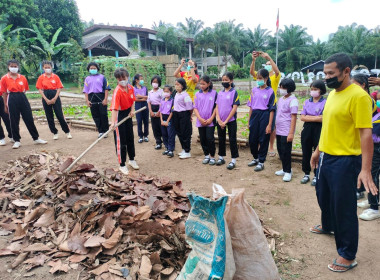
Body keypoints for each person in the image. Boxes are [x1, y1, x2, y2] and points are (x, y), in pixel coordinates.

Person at [309, 53, 377, 273]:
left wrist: (365, 170)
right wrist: (318, 151)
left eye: (331, 73)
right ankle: (328, 226)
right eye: (325, 73)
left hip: (346, 161)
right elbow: (329, 126)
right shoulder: (333, 96)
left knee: (343, 207)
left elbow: (366, 135)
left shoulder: (358, 97)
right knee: (323, 195)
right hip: (327, 156)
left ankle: (348, 254)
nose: (326, 77)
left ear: (346, 71)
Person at [0, 59, 47, 149]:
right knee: (14, 120)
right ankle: (17, 140)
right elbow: (4, 93)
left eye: (15, 66)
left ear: (18, 67)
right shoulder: (4, 78)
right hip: (11, 98)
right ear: (8, 67)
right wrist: (6, 104)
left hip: (22, 97)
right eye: (12, 66)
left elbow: (25, 90)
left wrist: (21, 98)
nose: (14, 68)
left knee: (29, 118)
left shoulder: (22, 78)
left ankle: (36, 138)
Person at [250, 51, 281, 157]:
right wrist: (253, 60)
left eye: (269, 65)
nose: (268, 66)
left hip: (271, 105)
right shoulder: (261, 78)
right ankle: (259, 148)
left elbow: (277, 71)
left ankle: (271, 146)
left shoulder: (275, 77)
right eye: (266, 65)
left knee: (271, 127)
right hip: (259, 106)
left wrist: (269, 58)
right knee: (258, 128)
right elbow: (252, 72)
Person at [109, 68, 139, 175]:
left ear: (128, 77)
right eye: (120, 78)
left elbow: (132, 101)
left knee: (130, 137)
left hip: (127, 114)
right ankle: (122, 164)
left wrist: (132, 111)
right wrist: (113, 123)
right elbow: (114, 108)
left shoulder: (130, 88)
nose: (122, 80)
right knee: (121, 141)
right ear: (117, 79)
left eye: (124, 78)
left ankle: (132, 159)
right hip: (119, 115)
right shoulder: (117, 91)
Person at [247, 68, 275, 172]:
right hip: (255, 114)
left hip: (265, 115)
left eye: (260, 78)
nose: (258, 80)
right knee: (252, 139)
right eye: (257, 78)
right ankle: (255, 157)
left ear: (266, 78)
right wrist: (249, 120)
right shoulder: (254, 90)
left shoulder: (270, 91)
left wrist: (269, 124)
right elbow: (251, 106)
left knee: (263, 139)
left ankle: (261, 161)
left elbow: (272, 109)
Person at [36, 60, 72, 140]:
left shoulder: (55, 77)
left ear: (51, 67)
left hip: (54, 94)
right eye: (46, 67)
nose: (47, 69)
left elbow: (59, 88)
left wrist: (55, 98)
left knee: (59, 115)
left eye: (49, 67)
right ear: (43, 68)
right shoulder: (41, 77)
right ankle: (54, 132)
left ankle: (67, 131)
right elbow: (39, 89)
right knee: (49, 116)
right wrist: (46, 99)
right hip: (46, 95)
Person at [300, 80, 327, 186]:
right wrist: (317, 117)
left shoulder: (325, 102)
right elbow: (302, 117)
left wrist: (309, 117)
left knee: (318, 152)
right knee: (306, 151)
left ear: (321, 90)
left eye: (315, 89)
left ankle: (316, 175)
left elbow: (324, 119)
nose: (313, 91)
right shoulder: (307, 102)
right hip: (307, 129)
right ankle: (306, 173)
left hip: (319, 129)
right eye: (312, 89)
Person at [275, 78, 298, 182]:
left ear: (289, 88)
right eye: (280, 87)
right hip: (279, 129)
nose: (281, 89)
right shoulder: (281, 99)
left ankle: (288, 171)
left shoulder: (293, 100)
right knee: (280, 150)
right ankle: (284, 169)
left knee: (286, 151)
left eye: (283, 87)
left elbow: (293, 117)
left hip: (286, 130)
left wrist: (291, 133)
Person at [215, 72, 240, 170]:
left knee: (232, 139)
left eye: (226, 80)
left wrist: (225, 121)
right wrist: (219, 119)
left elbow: (234, 108)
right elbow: (216, 106)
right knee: (221, 139)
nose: (224, 82)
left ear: (231, 81)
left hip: (231, 121)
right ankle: (221, 157)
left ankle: (233, 160)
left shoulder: (234, 92)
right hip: (220, 121)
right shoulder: (220, 93)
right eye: (223, 80)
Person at [83, 62, 111, 138]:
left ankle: (106, 131)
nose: (93, 69)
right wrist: (87, 101)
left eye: (94, 68)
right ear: (88, 69)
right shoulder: (87, 79)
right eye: (91, 68)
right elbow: (86, 90)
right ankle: (100, 131)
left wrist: (105, 99)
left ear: (97, 69)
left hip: (101, 97)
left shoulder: (102, 77)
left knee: (103, 114)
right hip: (92, 97)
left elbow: (106, 88)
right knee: (95, 115)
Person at [194, 75, 217, 165]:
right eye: (200, 84)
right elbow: (195, 107)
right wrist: (199, 118)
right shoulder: (197, 94)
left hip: (210, 121)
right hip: (200, 121)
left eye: (203, 84)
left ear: (209, 84)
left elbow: (216, 107)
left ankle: (212, 156)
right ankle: (206, 155)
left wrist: (211, 118)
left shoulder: (214, 93)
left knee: (210, 138)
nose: (201, 86)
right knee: (203, 138)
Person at [172, 78, 193, 159]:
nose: (176, 86)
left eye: (178, 84)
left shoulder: (186, 95)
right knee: (179, 132)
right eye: (175, 84)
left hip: (184, 114)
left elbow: (190, 108)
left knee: (185, 132)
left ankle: (187, 151)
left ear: (183, 85)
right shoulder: (176, 94)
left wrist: (189, 116)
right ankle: (184, 149)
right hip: (176, 114)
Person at [147, 75, 163, 149]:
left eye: (156, 82)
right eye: (153, 82)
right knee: (155, 126)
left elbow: (163, 102)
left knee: (161, 125)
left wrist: (159, 111)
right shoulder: (150, 92)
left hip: (160, 108)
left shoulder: (161, 91)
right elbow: (149, 102)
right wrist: (151, 111)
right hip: (152, 108)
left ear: (159, 83)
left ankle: (165, 141)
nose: (155, 83)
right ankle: (158, 142)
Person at [132, 74, 149, 143]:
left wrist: (140, 96)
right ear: (136, 80)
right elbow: (134, 99)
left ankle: (146, 135)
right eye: (140, 79)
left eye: (142, 79)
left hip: (145, 105)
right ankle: (140, 136)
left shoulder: (145, 88)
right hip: (138, 105)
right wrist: (143, 98)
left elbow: (148, 97)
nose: (142, 80)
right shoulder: (133, 88)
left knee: (146, 120)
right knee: (139, 121)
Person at [160, 85, 175, 158]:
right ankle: (166, 147)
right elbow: (160, 111)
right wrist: (162, 120)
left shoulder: (172, 100)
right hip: (163, 117)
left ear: (171, 92)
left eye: (167, 91)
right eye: (164, 91)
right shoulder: (162, 100)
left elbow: (172, 112)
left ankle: (171, 149)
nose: (165, 93)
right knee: (164, 133)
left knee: (170, 134)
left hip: (169, 118)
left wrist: (167, 121)